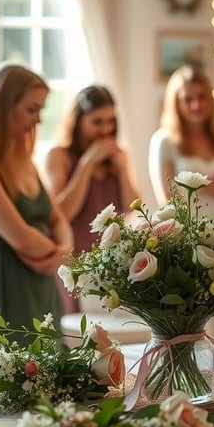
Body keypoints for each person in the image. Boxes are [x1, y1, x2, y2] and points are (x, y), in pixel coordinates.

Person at [0, 62, 73, 341]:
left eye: (41, 110)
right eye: (31, 109)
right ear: (1, 107)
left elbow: (57, 218)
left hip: (38, 283)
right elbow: (22, 238)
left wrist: (62, 252)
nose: (38, 120)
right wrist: (60, 255)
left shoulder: (22, 159)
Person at [44, 85, 139, 312]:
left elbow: (131, 207)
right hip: (74, 262)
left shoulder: (119, 155)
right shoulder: (58, 156)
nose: (105, 129)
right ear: (78, 121)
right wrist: (86, 164)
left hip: (110, 263)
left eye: (110, 121)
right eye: (97, 122)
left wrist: (122, 170)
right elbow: (60, 213)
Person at [148, 65, 214, 210]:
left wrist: (204, 186)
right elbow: (167, 200)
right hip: (187, 224)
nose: (196, 105)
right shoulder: (164, 141)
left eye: (201, 97)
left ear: (210, 99)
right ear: (176, 104)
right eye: (187, 99)